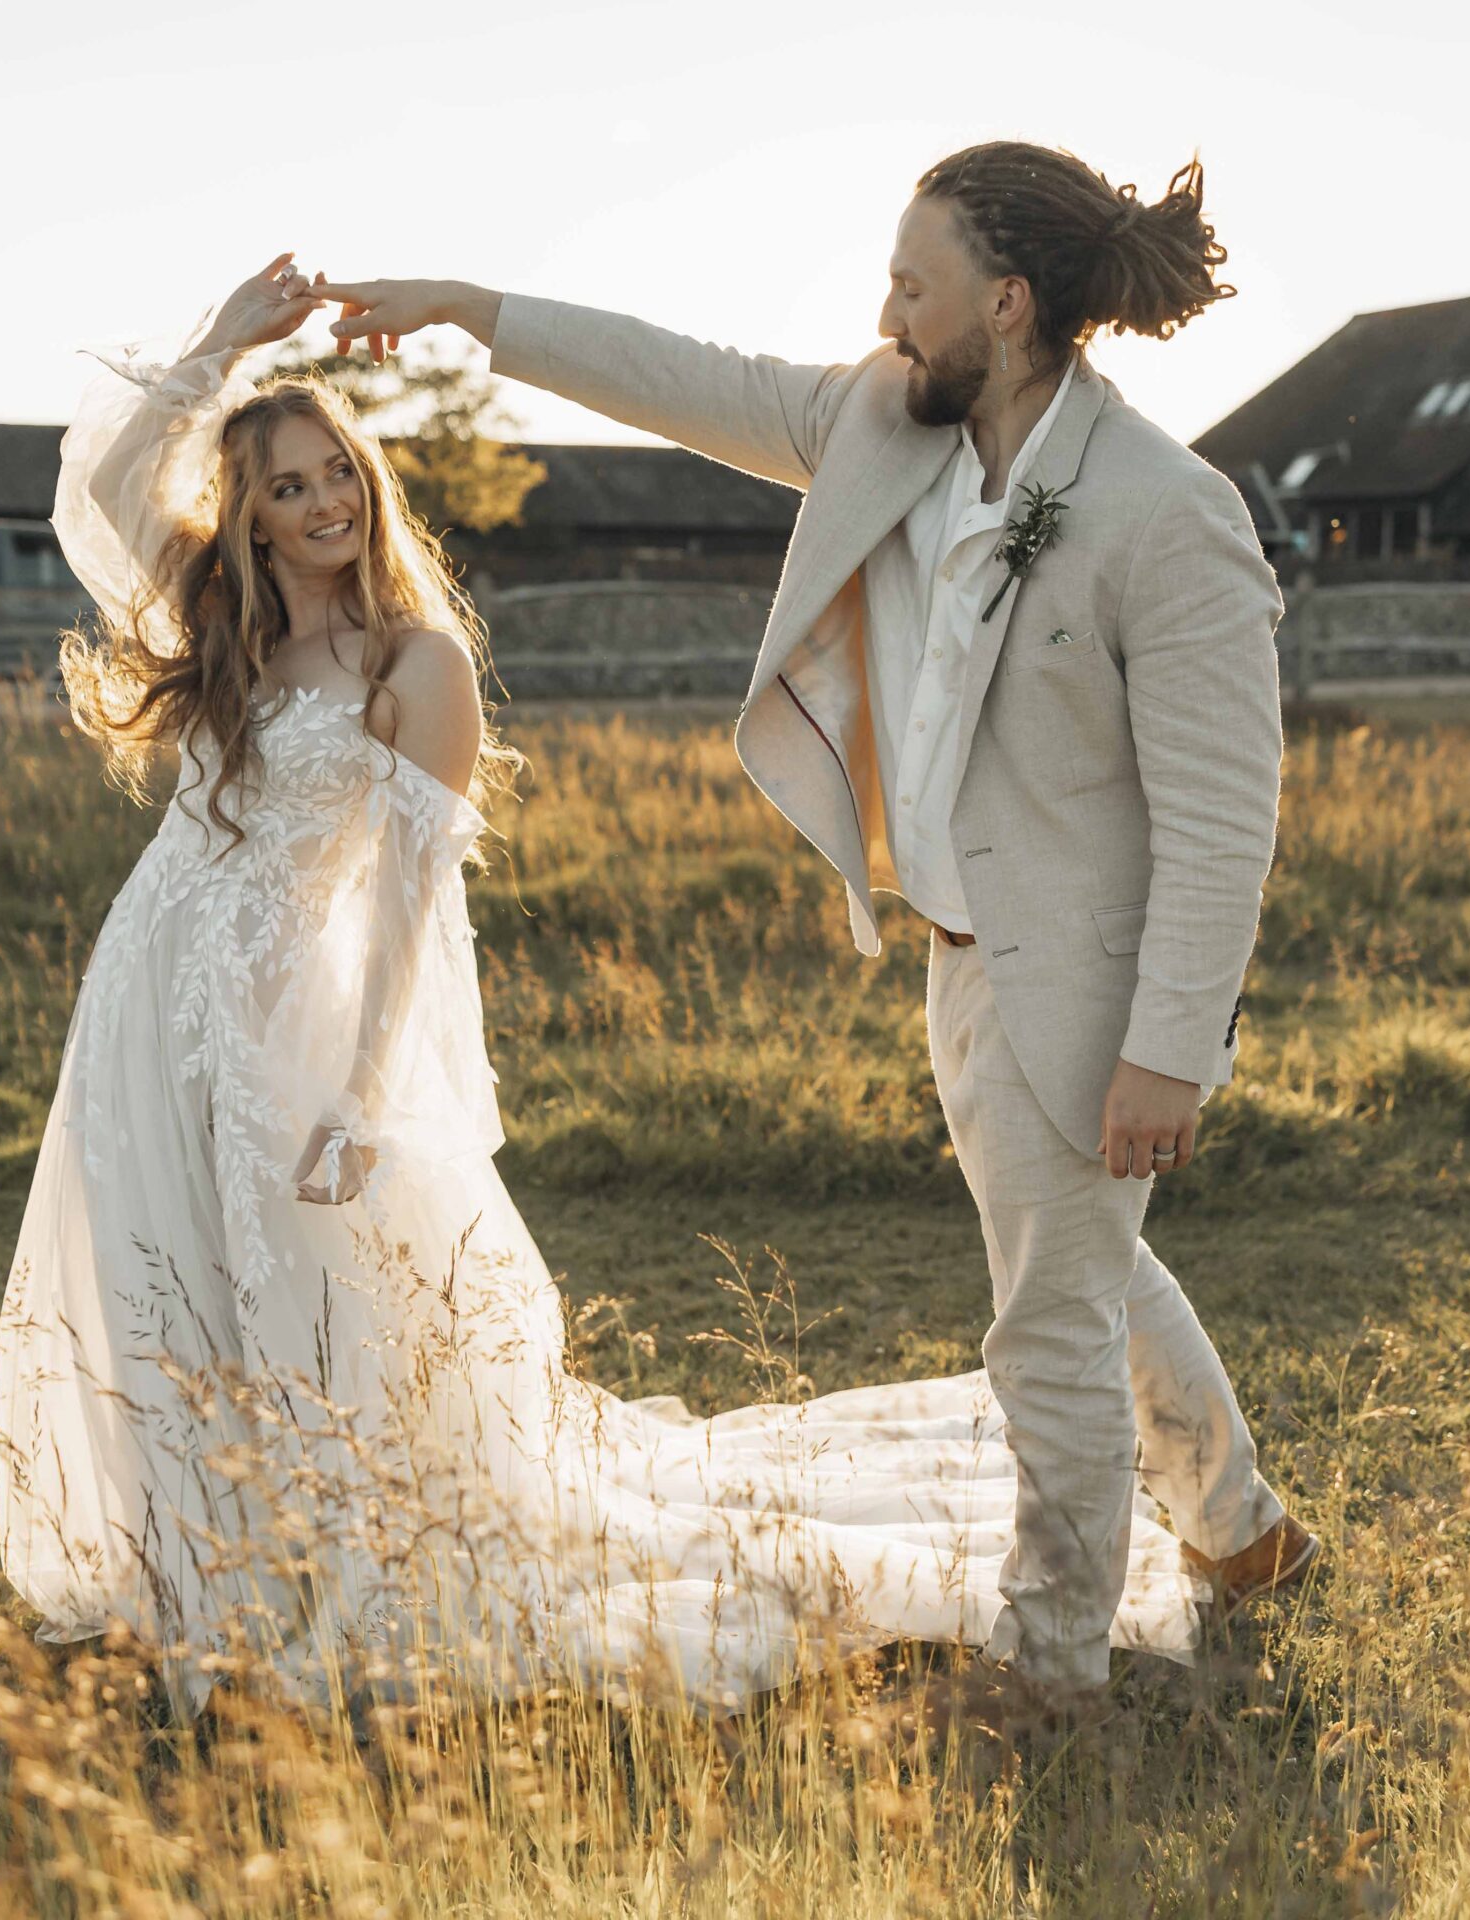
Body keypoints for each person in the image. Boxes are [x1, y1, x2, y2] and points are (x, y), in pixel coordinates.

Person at [0, 250, 1214, 1721]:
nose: (318, 504)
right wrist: (224, 344)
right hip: (146, 1004)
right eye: (282, 485)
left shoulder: (412, 664)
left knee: (310, 1300)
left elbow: (406, 918)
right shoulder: (219, 627)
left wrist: (361, 1096)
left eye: (337, 476)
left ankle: (328, 1567)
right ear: (244, 511)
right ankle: (200, 1563)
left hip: (293, 1032)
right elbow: (110, 485)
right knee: (152, 1274)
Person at [312, 141, 1318, 1692]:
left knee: (1045, 1329)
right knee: (1083, 1261)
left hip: (1098, 991)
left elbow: (1221, 817)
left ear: (1008, 301)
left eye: (914, 284)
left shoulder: (1166, 514)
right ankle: (1239, 1525)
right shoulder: (882, 423)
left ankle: (1049, 1668)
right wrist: (469, 310)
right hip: (962, 963)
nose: (887, 309)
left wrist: (1169, 1053)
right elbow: (686, 379)